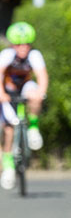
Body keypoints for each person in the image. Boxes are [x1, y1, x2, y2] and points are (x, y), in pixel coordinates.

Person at [0, 22, 48, 190]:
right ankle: (8, 167)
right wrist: (2, 94)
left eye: (26, 44)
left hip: (25, 89)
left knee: (35, 95)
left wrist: (41, 94)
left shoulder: (34, 55)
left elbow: (42, 76)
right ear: (13, 45)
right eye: (19, 44)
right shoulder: (6, 55)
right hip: (7, 91)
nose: (23, 48)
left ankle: (33, 129)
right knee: (8, 129)